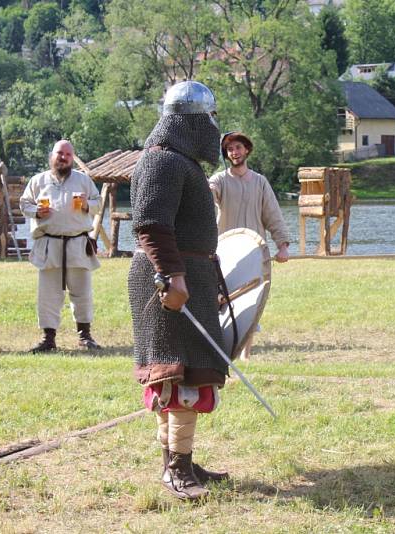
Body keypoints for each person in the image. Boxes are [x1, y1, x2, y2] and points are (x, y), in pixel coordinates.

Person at [129, 80, 229, 501]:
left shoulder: (180, 162)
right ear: (188, 121)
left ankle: (180, 457)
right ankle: (176, 468)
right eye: (207, 117)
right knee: (176, 374)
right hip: (167, 278)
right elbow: (151, 224)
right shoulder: (162, 162)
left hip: (187, 274)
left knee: (185, 370)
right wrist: (173, 276)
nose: (212, 125)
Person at [207, 132, 289, 360]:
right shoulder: (219, 180)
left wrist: (282, 246)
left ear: (247, 150)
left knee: (252, 299)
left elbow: (273, 215)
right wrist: (205, 190)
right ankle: (221, 346)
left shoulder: (260, 182)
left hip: (254, 253)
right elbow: (209, 192)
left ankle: (246, 354)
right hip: (225, 253)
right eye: (230, 149)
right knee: (221, 300)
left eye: (238, 147)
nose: (234, 152)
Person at [19, 140, 102, 353]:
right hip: (49, 244)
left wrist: (86, 204)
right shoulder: (38, 181)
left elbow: (98, 203)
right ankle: (48, 339)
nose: (63, 157)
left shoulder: (84, 181)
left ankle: (85, 336)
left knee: (82, 292)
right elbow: (24, 204)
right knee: (48, 294)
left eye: (67, 153)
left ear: (72, 157)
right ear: (52, 156)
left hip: (77, 244)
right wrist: (36, 211)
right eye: (59, 153)